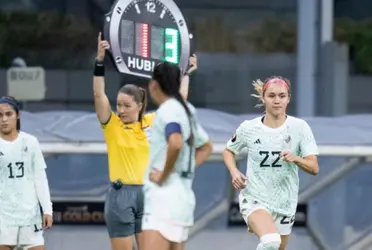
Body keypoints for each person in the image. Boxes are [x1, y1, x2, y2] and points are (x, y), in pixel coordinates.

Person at [93, 32, 198, 250]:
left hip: (150, 194)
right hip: (121, 195)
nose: (120, 110)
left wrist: (186, 73)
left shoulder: (154, 121)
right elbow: (98, 95)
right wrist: (99, 61)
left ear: (140, 106)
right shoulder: (111, 124)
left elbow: (180, 100)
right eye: (118, 105)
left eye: (126, 105)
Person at [223, 77, 319, 250]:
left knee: (275, 247)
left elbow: (314, 167)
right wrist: (234, 172)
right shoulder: (249, 128)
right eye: (272, 95)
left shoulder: (300, 127)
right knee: (270, 242)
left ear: (288, 98)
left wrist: (296, 158)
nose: (277, 100)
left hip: (285, 203)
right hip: (255, 198)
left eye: (282, 96)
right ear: (263, 97)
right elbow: (229, 150)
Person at [141, 62, 212, 250]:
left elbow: (175, 142)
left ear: (153, 85)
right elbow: (206, 147)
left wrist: (164, 174)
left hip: (162, 199)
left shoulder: (168, 110)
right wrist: (182, 168)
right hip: (182, 198)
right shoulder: (187, 109)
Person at [0, 96, 53, 250]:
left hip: (30, 216)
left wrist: (47, 209)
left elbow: (40, 178)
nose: (4, 119)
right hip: (3, 217)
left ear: (17, 115)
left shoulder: (31, 142)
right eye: (0, 115)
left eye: (8, 114)